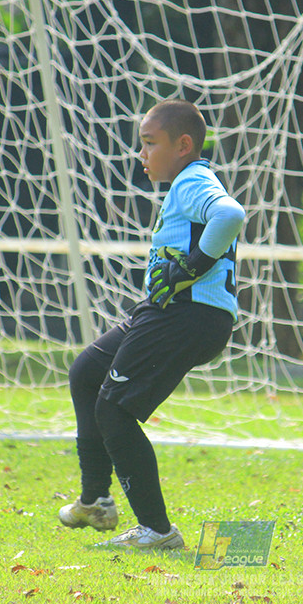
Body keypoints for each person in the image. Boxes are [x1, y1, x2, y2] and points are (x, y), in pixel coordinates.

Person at [59, 99, 245, 550]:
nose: (141, 154)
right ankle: (97, 499)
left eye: (149, 143)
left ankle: (158, 531)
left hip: (189, 315)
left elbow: (231, 214)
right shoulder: (184, 182)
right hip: (169, 311)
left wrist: (191, 267)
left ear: (183, 145)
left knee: (114, 411)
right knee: (87, 372)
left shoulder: (193, 180)